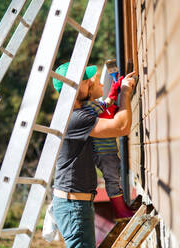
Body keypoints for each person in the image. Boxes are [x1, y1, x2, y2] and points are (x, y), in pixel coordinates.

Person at [51, 62, 135, 247]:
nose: (90, 81)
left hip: (76, 203)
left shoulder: (78, 113)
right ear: (72, 88)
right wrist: (126, 93)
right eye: (84, 80)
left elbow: (105, 109)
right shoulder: (75, 118)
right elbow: (121, 127)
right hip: (73, 206)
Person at [82, 74, 134, 221]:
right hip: (103, 153)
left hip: (108, 151)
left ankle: (123, 208)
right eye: (99, 84)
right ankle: (121, 211)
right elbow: (106, 107)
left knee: (115, 178)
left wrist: (115, 90)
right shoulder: (88, 107)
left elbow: (106, 104)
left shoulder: (95, 103)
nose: (102, 86)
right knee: (112, 180)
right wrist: (117, 93)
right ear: (89, 91)